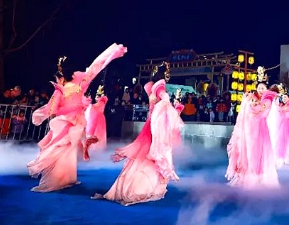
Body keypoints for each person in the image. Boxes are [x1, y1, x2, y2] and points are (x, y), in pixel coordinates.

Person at [27, 44, 127, 192]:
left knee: (60, 149)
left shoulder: (60, 90)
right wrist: (112, 53)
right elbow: (95, 66)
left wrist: (43, 113)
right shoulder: (81, 81)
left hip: (65, 121)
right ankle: (67, 177)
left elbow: (52, 109)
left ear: (60, 76)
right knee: (68, 150)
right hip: (76, 121)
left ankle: (60, 178)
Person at [93, 62, 185, 206]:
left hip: (151, 123)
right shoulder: (160, 86)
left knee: (146, 154)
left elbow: (158, 105)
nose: (168, 76)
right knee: (151, 154)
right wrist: (173, 108)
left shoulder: (152, 87)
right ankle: (139, 188)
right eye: (167, 73)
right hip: (155, 126)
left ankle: (135, 185)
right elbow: (164, 101)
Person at [226, 66, 279, 188]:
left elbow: (258, 109)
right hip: (250, 129)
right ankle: (248, 176)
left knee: (260, 152)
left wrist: (250, 105)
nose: (260, 90)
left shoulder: (268, 100)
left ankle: (260, 178)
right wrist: (247, 101)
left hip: (261, 129)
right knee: (249, 152)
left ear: (266, 89)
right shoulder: (253, 98)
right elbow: (250, 109)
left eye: (263, 88)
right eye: (259, 88)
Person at [267, 84, 289, 170]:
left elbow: (282, 110)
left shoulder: (287, 105)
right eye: (283, 97)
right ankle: (276, 161)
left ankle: (282, 162)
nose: (284, 98)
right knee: (275, 142)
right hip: (276, 126)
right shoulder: (275, 103)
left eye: (285, 96)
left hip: (283, 128)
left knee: (282, 144)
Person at [83, 84, 109, 160]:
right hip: (96, 118)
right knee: (93, 133)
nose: (96, 97)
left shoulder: (102, 101)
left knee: (98, 134)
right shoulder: (100, 102)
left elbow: (94, 106)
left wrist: (88, 104)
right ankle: (92, 150)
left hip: (99, 120)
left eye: (98, 96)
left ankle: (97, 150)